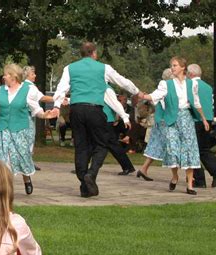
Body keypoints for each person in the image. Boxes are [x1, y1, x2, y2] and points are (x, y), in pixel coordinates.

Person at [52, 42, 142, 197]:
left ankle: (84, 186)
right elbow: (122, 81)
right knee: (101, 144)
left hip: (77, 109)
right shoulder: (103, 68)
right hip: (94, 109)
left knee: (81, 147)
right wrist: (136, 91)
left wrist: (56, 105)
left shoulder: (70, 68)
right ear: (94, 53)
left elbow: (61, 89)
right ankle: (91, 174)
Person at [0, 64, 58, 195]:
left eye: (6, 74)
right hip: (1, 130)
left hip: (19, 131)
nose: (4, 77)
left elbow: (36, 109)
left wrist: (44, 115)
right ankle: (1, 188)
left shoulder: (28, 90)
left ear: (14, 77)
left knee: (20, 158)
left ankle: (26, 179)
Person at [140, 56, 210, 195]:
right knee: (172, 150)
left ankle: (190, 185)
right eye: (171, 65)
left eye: (175, 65)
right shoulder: (166, 84)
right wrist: (142, 95)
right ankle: (175, 176)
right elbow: (154, 96)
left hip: (187, 119)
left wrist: (203, 119)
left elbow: (196, 103)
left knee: (190, 150)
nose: (172, 68)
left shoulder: (192, 84)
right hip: (171, 120)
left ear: (183, 67)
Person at [187, 64, 216, 188]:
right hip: (207, 120)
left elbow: (191, 102)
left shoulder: (189, 85)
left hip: (196, 119)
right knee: (203, 149)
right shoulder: (208, 87)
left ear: (190, 74)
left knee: (192, 150)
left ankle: (199, 179)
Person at [137, 68, 173, 181]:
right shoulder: (168, 89)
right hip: (166, 121)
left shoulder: (163, 89)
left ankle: (143, 169)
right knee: (173, 146)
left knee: (156, 145)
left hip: (160, 120)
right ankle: (187, 176)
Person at [22, 66, 54, 171]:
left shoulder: (22, 86)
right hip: (27, 116)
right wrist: (58, 98)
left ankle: (26, 161)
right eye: (32, 74)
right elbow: (43, 98)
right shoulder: (31, 87)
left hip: (21, 115)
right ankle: (27, 163)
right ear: (27, 75)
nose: (35, 75)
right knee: (30, 138)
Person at [102, 86, 136, 176]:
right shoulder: (101, 88)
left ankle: (128, 167)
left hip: (106, 120)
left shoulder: (106, 89)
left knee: (112, 145)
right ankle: (128, 167)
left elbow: (115, 105)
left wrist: (123, 117)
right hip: (103, 120)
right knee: (108, 145)